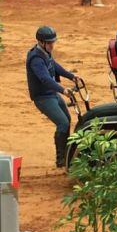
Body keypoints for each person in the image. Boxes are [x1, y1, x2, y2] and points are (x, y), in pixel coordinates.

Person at [26, 26, 82, 167]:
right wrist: (63, 90)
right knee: (62, 123)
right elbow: (45, 79)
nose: (52, 45)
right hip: (43, 98)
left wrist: (71, 76)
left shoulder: (45, 52)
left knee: (67, 120)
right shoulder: (36, 59)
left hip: (51, 94)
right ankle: (60, 160)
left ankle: (67, 156)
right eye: (49, 42)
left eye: (53, 42)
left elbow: (54, 65)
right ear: (41, 42)